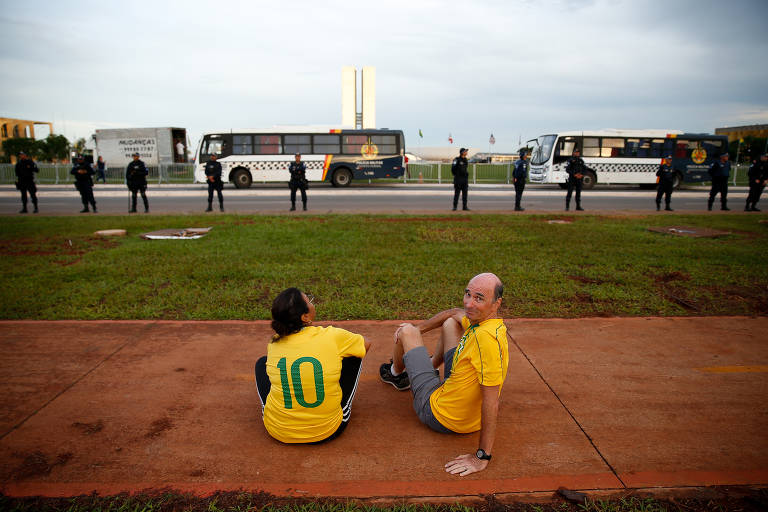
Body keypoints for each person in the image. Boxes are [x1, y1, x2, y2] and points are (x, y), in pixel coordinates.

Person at [379, 272, 508, 476]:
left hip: (438, 414)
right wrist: (421, 329)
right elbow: (453, 313)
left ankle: (396, 374)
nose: (469, 303)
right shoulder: (491, 326)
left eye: (479, 298)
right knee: (451, 324)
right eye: (468, 294)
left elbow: (492, 402)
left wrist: (481, 456)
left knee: (405, 331)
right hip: (464, 410)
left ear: (496, 303)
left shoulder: (485, 341)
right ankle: (427, 366)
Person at [254, 288, 371, 444]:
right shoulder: (331, 336)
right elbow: (366, 343)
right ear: (305, 316)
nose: (311, 302)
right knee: (355, 356)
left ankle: (278, 414)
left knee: (262, 363)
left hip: (278, 430)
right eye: (309, 300)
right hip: (327, 430)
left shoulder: (274, 343)